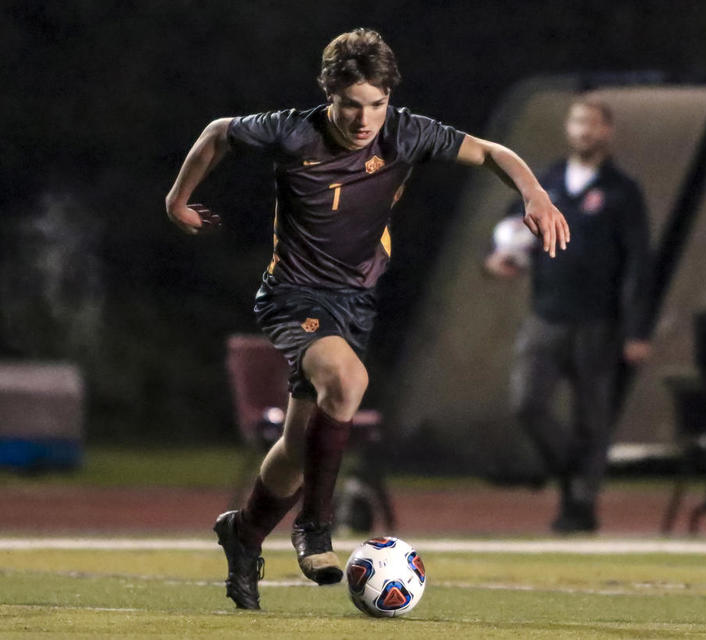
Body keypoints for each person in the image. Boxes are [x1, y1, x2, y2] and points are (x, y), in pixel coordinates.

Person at [165, 28, 569, 610]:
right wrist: (178, 200)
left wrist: (535, 193)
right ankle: (315, 528)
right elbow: (217, 134)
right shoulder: (292, 129)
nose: (363, 120)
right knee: (350, 382)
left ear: (388, 99)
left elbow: (493, 153)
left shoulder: (406, 132)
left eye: (375, 105)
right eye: (351, 105)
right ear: (329, 95)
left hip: (354, 304)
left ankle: (245, 533)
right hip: (293, 295)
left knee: (298, 445)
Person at [485, 98, 651, 533]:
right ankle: (572, 472)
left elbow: (636, 262)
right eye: (578, 121)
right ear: (568, 127)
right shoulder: (546, 181)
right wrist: (497, 258)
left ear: (607, 131)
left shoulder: (622, 190)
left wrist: (636, 329)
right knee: (527, 403)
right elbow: (508, 232)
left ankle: (579, 506)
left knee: (592, 418)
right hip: (546, 316)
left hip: (599, 321)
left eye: (593, 124)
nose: (584, 130)